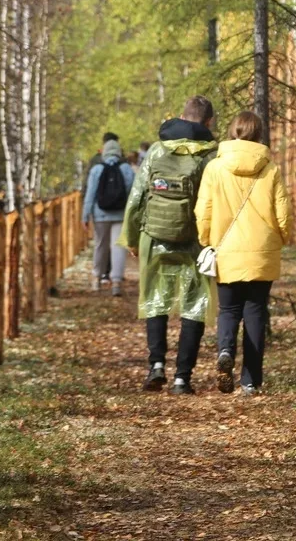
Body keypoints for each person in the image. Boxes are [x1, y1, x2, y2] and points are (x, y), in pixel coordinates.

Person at [119, 97, 219, 395]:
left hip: (155, 236)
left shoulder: (156, 150)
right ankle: (182, 379)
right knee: (194, 305)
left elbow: (137, 198)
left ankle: (156, 365)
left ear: (180, 116)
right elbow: (213, 202)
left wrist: (133, 238)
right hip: (195, 241)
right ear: (208, 122)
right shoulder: (210, 155)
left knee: (155, 299)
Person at [195, 111, 291, 395]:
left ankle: (225, 350)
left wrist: (206, 239)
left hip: (226, 249)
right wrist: (282, 238)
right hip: (262, 249)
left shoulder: (215, 168)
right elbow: (282, 212)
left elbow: (204, 210)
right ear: (259, 134)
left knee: (228, 309)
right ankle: (250, 380)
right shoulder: (270, 169)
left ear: (232, 132)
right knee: (256, 312)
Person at [82, 139, 136, 295]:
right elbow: (133, 194)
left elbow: (90, 195)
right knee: (118, 247)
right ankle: (116, 283)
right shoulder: (126, 168)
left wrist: (85, 215)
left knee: (100, 245)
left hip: (100, 215)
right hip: (120, 214)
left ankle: (96, 279)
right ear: (119, 152)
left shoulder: (97, 169)